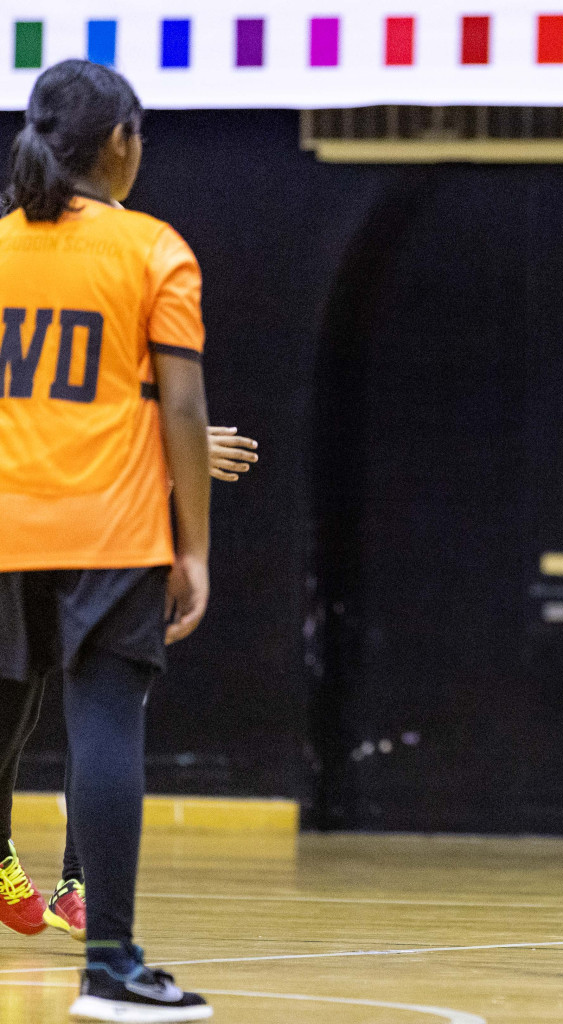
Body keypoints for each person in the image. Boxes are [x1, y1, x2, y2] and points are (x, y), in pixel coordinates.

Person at [0, 59, 214, 1021]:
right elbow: (181, 406)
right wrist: (194, 549)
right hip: (112, 528)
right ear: (120, 143)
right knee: (103, 731)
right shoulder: (153, 249)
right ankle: (111, 966)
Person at [20, 427, 258, 942]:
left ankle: (75, 887)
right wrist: (176, 445)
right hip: (26, 524)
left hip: (100, 537)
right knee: (18, 707)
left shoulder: (131, 375)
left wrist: (174, 455)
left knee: (97, 714)